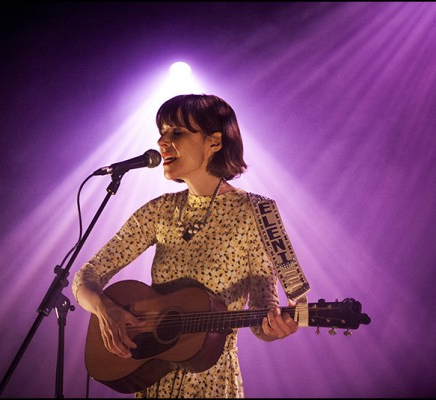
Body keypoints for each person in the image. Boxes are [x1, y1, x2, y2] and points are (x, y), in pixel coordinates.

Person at [72, 94, 306, 398]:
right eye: (162, 133)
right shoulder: (158, 211)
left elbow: (263, 313)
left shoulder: (256, 212)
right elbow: (85, 277)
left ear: (215, 142)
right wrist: (104, 309)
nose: (162, 142)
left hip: (212, 384)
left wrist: (277, 328)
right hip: (154, 384)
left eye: (177, 132)